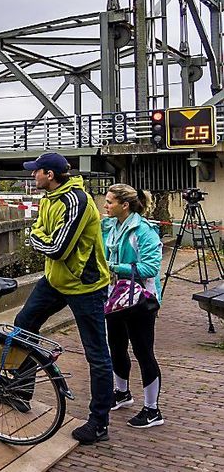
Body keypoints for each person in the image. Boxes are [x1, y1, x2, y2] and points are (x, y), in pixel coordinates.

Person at [15, 152, 113, 445]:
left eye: (36, 171)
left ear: (49, 175)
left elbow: (57, 247)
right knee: (23, 324)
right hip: (56, 280)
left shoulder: (77, 202)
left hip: (84, 285)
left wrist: (36, 237)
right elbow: (43, 235)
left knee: (96, 354)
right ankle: (21, 391)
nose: (32, 175)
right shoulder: (50, 198)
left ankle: (99, 422)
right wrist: (40, 235)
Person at [101, 183, 165, 429]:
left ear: (124, 205)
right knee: (116, 346)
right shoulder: (112, 226)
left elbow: (150, 268)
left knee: (143, 351)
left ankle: (152, 410)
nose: (105, 206)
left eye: (109, 202)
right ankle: (122, 393)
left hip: (141, 300)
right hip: (116, 297)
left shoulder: (145, 231)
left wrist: (114, 268)